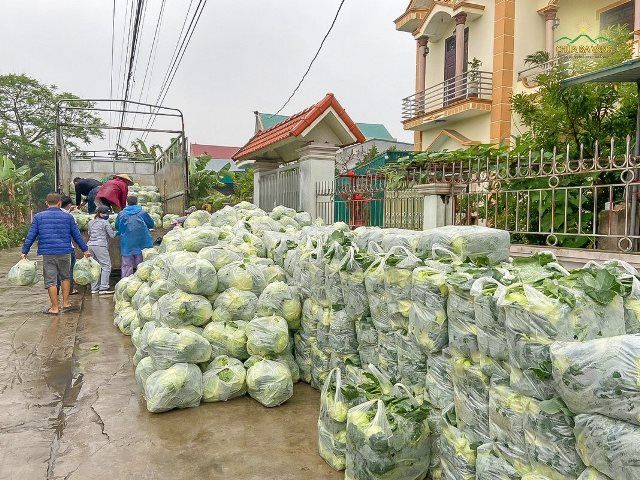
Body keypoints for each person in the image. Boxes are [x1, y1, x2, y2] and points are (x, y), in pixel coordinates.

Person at [21, 193, 91, 315]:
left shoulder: (39, 217)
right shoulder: (68, 217)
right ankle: (66, 303)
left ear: (46, 203)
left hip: (48, 253)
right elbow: (77, 236)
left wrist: (24, 251)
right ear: (59, 203)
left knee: (51, 280)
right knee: (65, 277)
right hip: (65, 252)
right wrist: (85, 250)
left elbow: (31, 235)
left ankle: (54, 307)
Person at [115, 195, 154, 277]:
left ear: (127, 203)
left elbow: (117, 226)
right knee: (142, 266)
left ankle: (125, 283)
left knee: (126, 265)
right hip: (142, 243)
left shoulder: (121, 214)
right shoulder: (142, 212)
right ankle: (141, 283)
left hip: (127, 244)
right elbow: (151, 224)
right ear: (136, 202)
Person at [87, 206, 116, 294]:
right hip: (100, 245)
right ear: (100, 213)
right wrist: (117, 232)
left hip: (90, 245)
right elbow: (112, 235)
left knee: (94, 266)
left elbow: (89, 233)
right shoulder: (105, 222)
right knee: (106, 266)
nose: (107, 215)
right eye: (105, 213)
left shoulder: (91, 222)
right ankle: (104, 287)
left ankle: (94, 288)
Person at [59, 195, 79, 295]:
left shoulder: (45, 215)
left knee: (55, 271)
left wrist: (25, 251)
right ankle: (69, 291)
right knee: (69, 270)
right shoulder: (70, 216)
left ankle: (57, 290)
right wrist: (84, 249)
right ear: (69, 205)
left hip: (51, 249)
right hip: (67, 248)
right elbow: (75, 234)